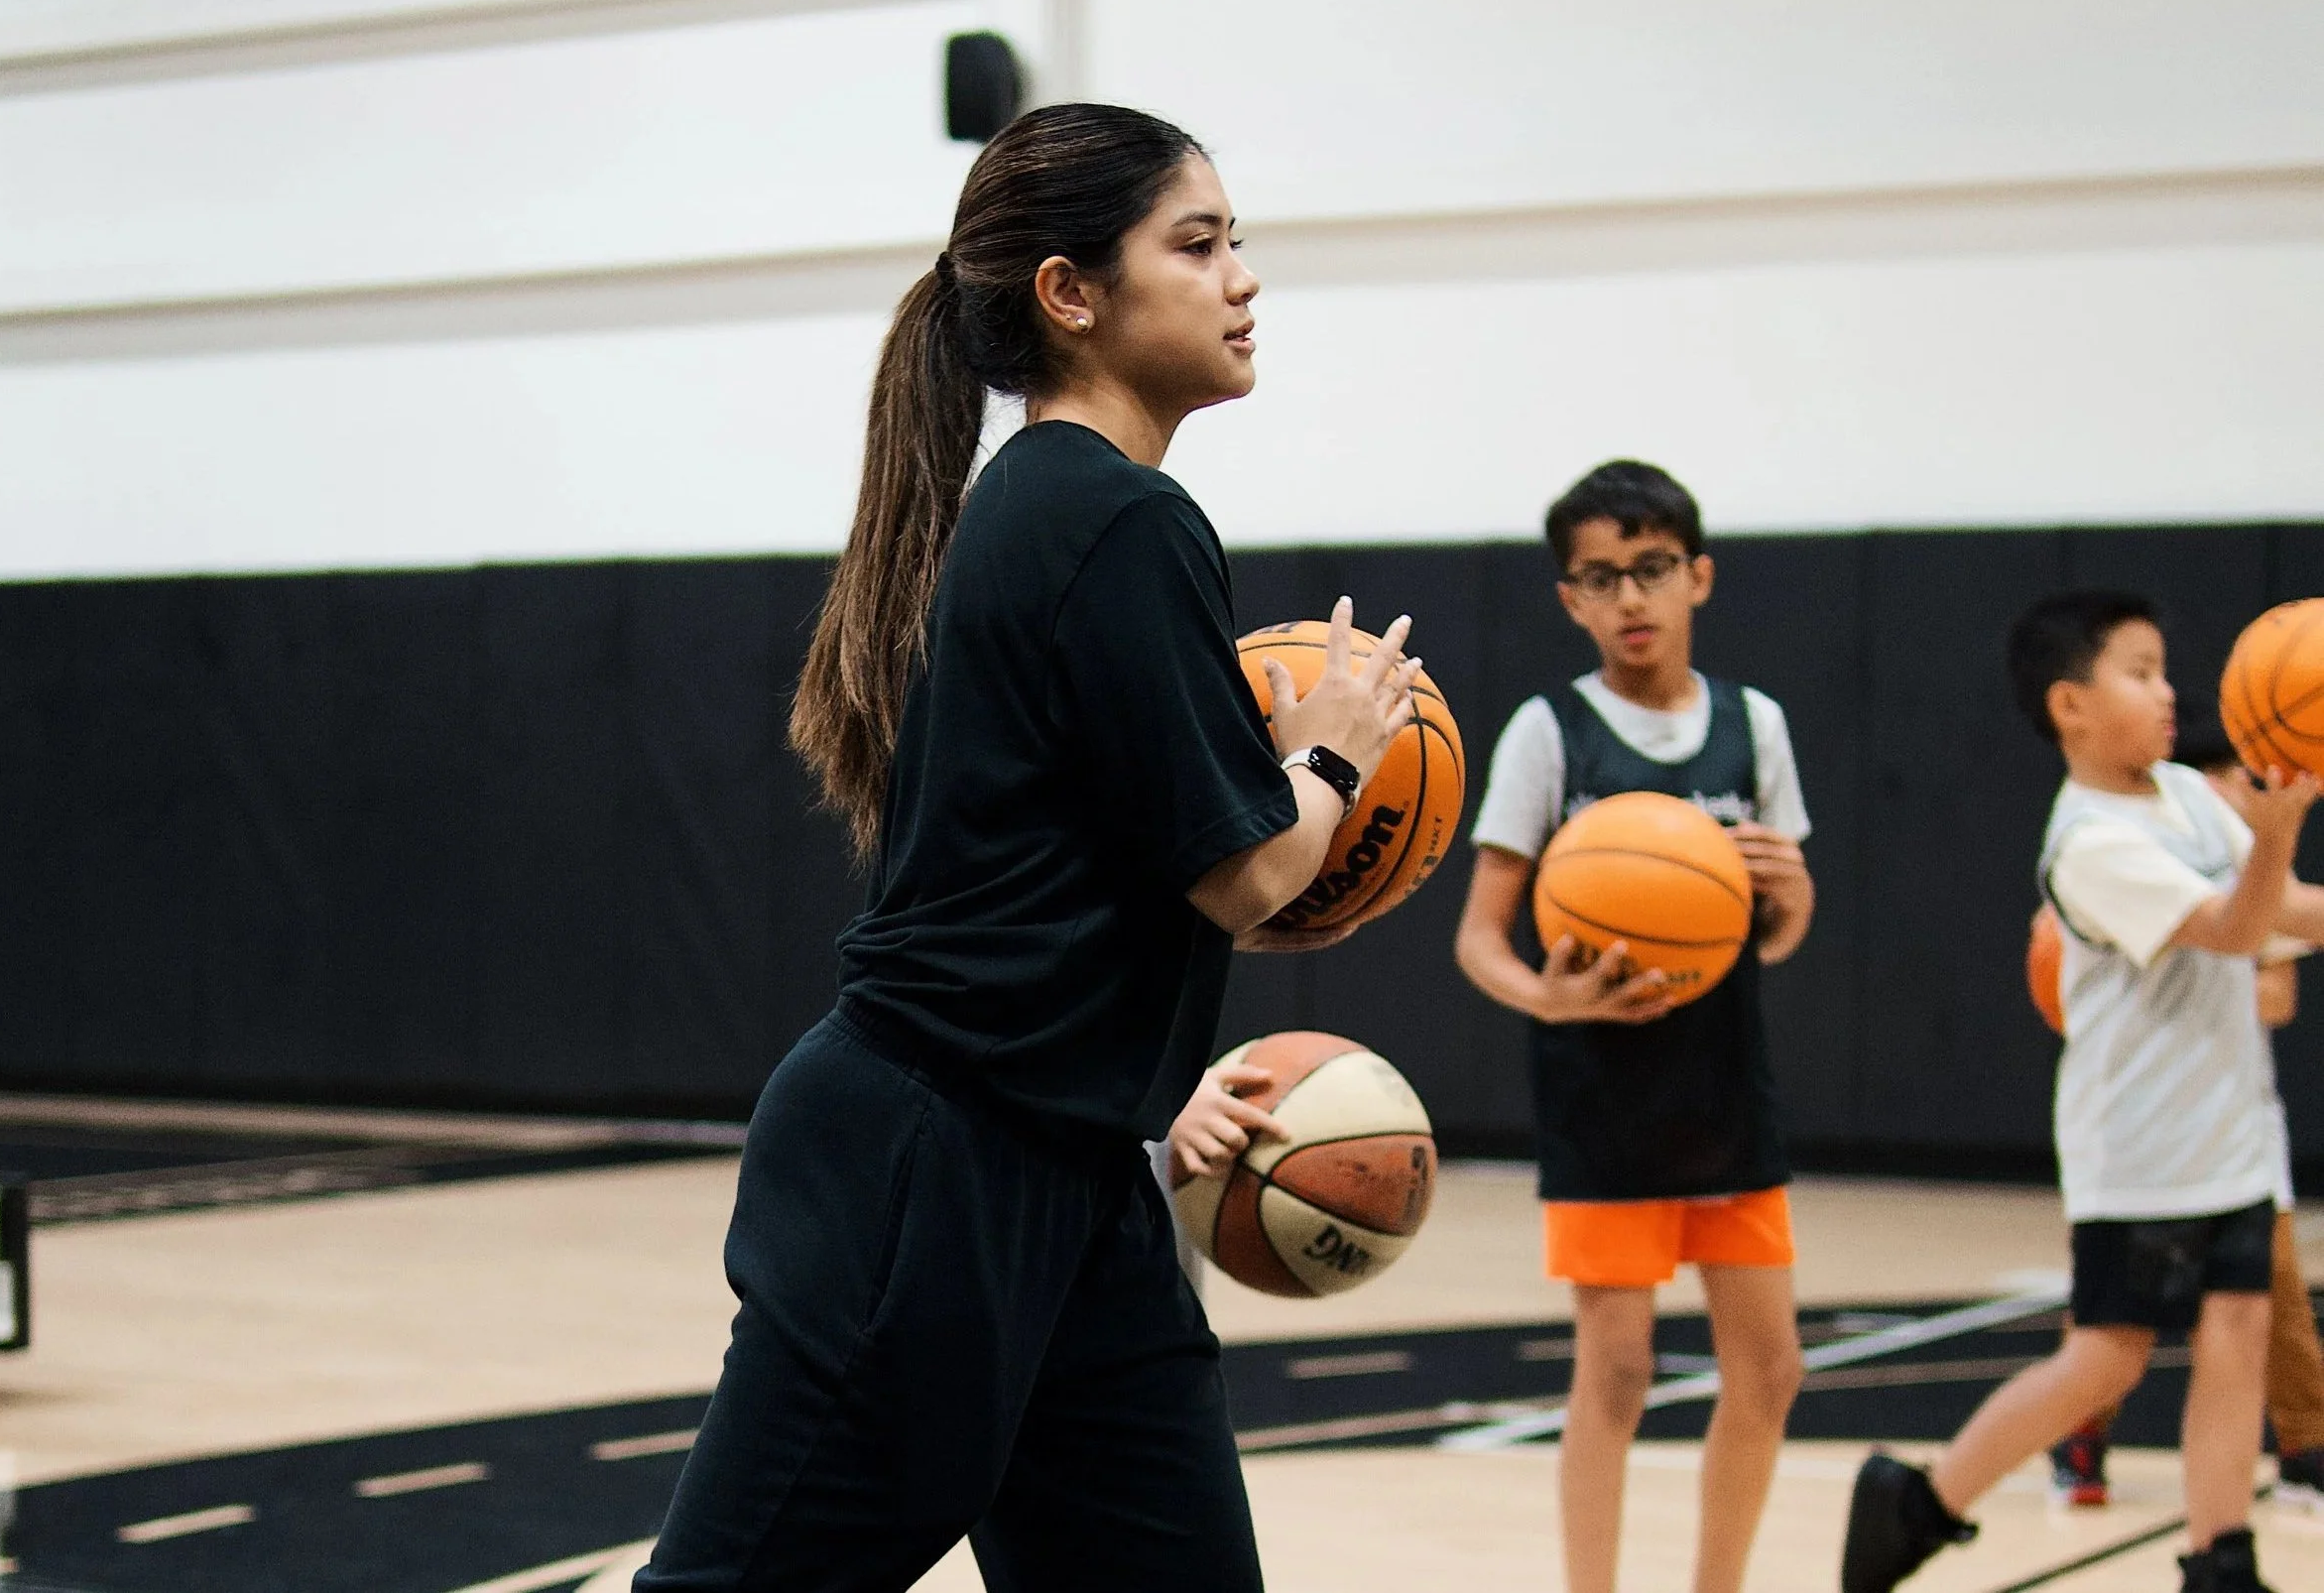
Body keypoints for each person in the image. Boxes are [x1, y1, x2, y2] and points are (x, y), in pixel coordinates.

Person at [633, 102, 1419, 1592]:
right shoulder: (1112, 516)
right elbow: (1248, 874)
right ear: (1072, 293)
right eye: (1197, 243)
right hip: (933, 1169)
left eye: (1238, 240)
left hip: (1068, 1176)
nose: (1242, 276)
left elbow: (1156, 888)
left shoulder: (1055, 509)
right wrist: (1335, 744)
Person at [1842, 591, 2324, 1593]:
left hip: (2229, 1127)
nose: (2166, 693)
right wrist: (2278, 827)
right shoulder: (2086, 840)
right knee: (2106, 1359)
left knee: (2236, 1333)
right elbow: (2235, 927)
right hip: (2139, 1148)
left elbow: (2279, 911)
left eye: (2162, 671)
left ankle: (2218, 1555)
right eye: (2139, 673)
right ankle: (1922, 1499)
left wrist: (2271, 843)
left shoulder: (2189, 797)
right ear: (2070, 705)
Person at [1452, 461, 1815, 1593]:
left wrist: (1791, 894)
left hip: (1721, 1083)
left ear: (1697, 575)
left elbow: (1776, 931)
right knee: (1615, 1371)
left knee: (1769, 1367)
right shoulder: (1547, 732)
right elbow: (1478, 938)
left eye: (1651, 568)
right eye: (1600, 577)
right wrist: (1545, 994)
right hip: (1601, 1088)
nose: (1630, 598)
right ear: (1569, 598)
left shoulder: (1752, 725)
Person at [2041, 720, 2324, 1514]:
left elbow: (2277, 986)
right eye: (2229, 777)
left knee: (2261, 1305)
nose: (2241, 791)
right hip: (2150, 1136)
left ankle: (2293, 1463)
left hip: (2234, 1132)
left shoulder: (2238, 863)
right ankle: (2058, 1443)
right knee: (2114, 1336)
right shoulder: (2114, 857)